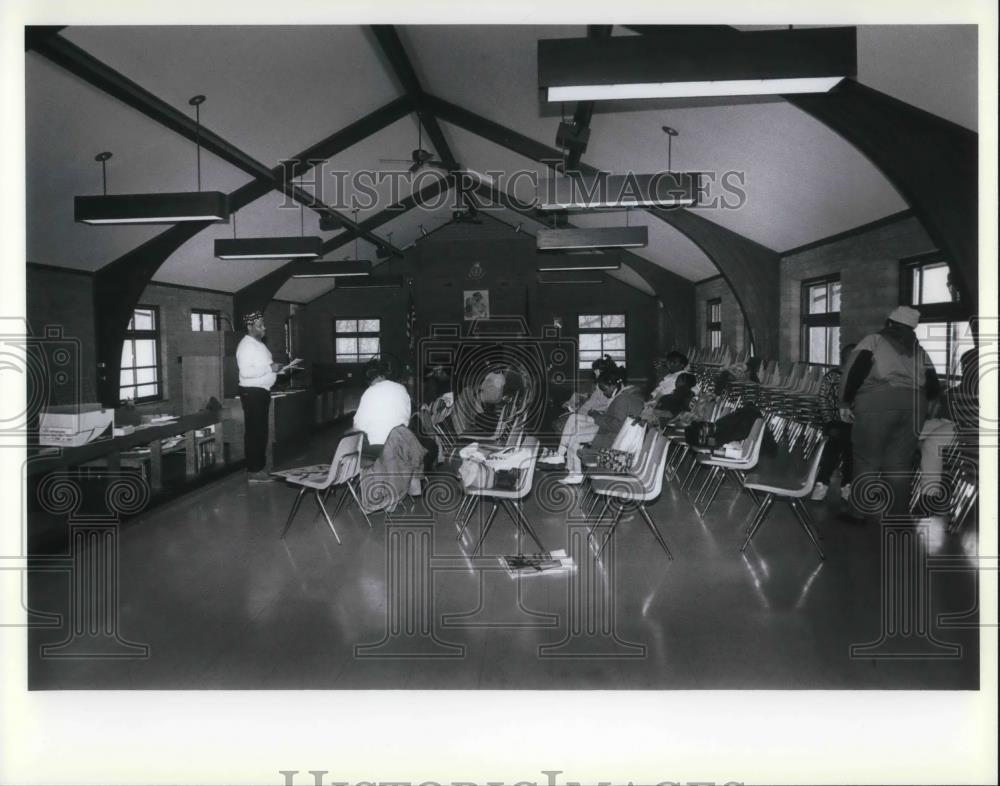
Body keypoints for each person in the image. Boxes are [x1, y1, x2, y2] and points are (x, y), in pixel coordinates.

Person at [839, 306, 940, 523]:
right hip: (915, 408)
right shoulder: (920, 351)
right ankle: (898, 516)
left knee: (866, 459)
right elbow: (933, 387)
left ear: (890, 322)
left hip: (877, 404)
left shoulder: (873, 341)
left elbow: (853, 372)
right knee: (900, 463)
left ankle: (858, 512)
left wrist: (845, 402)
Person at [559, 365, 644, 485]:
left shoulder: (621, 400)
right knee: (576, 434)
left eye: (605, 390)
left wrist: (597, 417)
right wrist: (600, 416)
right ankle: (572, 470)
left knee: (576, 437)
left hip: (613, 440)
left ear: (613, 386)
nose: (604, 393)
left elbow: (617, 425)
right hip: (611, 434)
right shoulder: (621, 396)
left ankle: (575, 472)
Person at [915, 348, 978, 503]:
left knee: (931, 444)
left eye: (970, 365)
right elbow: (947, 403)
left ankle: (929, 496)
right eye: (964, 365)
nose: (965, 368)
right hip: (947, 422)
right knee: (906, 432)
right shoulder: (964, 385)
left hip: (967, 429)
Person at [540, 355, 618, 466]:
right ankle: (561, 454)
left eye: (595, 371)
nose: (594, 373)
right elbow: (592, 401)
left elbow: (601, 406)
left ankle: (561, 454)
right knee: (562, 418)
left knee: (566, 421)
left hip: (593, 417)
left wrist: (582, 409)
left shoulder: (605, 388)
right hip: (586, 413)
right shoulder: (600, 386)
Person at [236, 311, 285, 483]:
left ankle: (258, 467)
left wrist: (276, 369)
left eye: (264, 324)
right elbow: (246, 372)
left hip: (260, 392)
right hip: (253, 393)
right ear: (250, 327)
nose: (264, 328)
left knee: (260, 431)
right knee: (255, 432)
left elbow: (264, 366)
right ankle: (254, 471)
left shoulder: (258, 344)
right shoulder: (246, 346)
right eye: (260, 325)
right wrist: (270, 369)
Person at [810, 343, 857, 502]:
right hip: (835, 423)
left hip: (853, 425)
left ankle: (844, 485)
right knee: (834, 447)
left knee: (851, 451)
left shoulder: (860, 379)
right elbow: (823, 399)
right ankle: (825, 484)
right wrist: (829, 422)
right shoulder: (832, 376)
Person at [354, 357, 412, 464]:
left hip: (379, 447)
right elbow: (407, 419)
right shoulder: (402, 388)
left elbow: (358, 425)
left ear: (368, 379)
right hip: (402, 444)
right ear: (383, 374)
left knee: (349, 439)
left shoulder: (369, 392)